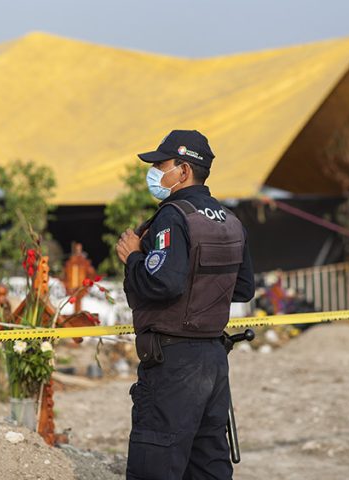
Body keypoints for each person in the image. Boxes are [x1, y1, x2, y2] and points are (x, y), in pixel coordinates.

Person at [117, 130, 255, 480]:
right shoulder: (229, 220)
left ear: (183, 170)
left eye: (161, 165)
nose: (154, 172)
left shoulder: (173, 216)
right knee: (207, 466)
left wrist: (133, 257)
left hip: (173, 363)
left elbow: (164, 282)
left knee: (156, 465)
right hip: (212, 361)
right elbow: (243, 288)